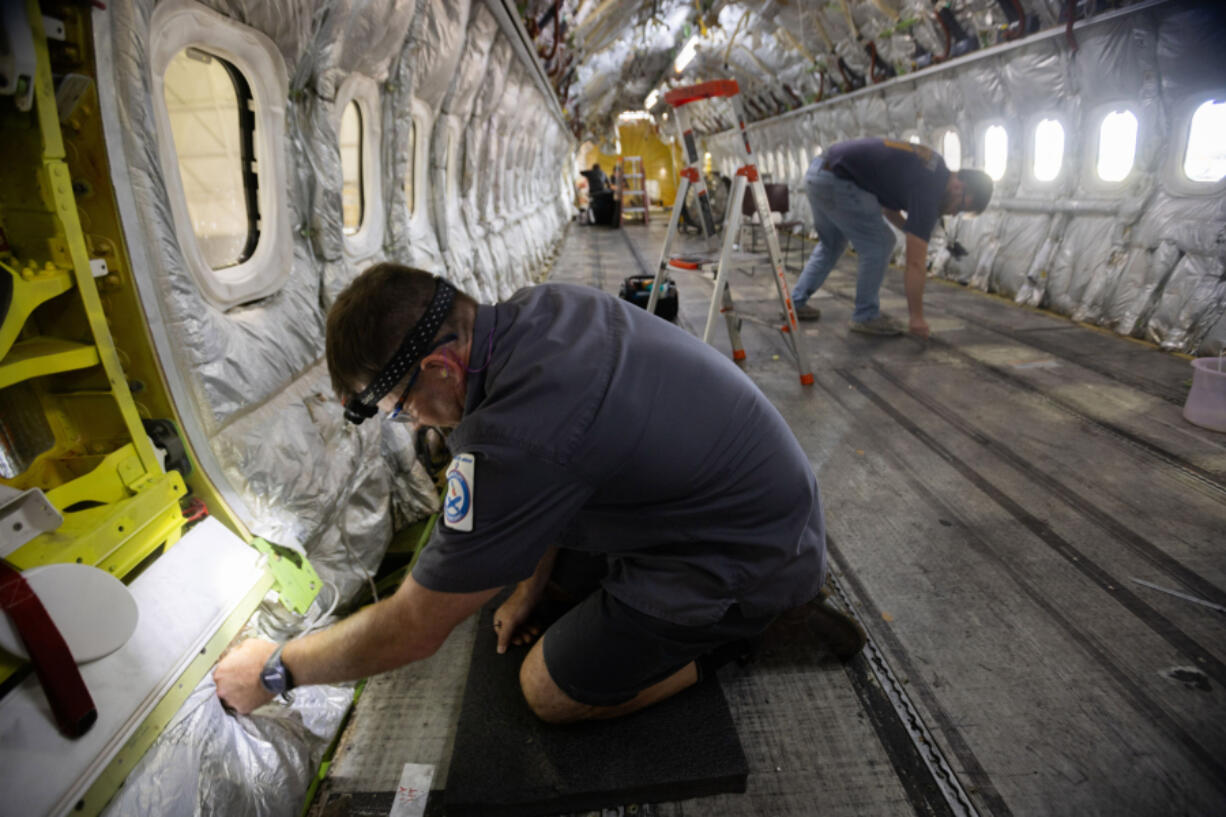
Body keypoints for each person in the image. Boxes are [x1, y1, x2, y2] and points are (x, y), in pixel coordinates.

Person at [215, 264, 863, 722]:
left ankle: (742, 637)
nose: (412, 422)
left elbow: (415, 626)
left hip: (745, 553)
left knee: (549, 691)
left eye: (401, 407)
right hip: (755, 500)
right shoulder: (539, 311)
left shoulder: (510, 438)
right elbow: (564, 464)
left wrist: (276, 668)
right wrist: (529, 585)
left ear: (441, 368)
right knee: (537, 592)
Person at [789, 138, 993, 338]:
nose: (953, 213)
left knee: (831, 245)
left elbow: (888, 209)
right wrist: (917, 318)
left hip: (819, 173)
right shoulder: (930, 191)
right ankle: (865, 316)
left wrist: (912, 231)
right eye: (960, 207)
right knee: (880, 244)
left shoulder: (933, 167)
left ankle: (795, 304)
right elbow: (915, 263)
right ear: (959, 186)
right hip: (839, 179)